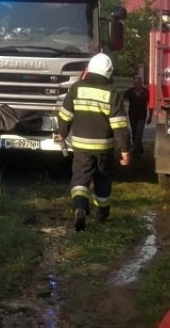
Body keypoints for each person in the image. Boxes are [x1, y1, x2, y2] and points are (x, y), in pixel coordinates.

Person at [55, 53, 131, 232]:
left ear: (89, 69)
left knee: (80, 178)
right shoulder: (112, 94)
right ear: (109, 72)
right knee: (103, 178)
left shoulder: (76, 88)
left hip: (81, 146)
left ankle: (80, 207)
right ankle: (102, 213)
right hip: (104, 147)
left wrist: (62, 133)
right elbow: (119, 126)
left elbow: (65, 116)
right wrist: (125, 150)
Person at [123, 75, 153, 156]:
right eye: (135, 83)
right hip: (132, 116)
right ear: (133, 84)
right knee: (134, 133)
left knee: (139, 134)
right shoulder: (129, 92)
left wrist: (150, 116)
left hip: (142, 116)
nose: (137, 85)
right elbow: (122, 102)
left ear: (141, 83)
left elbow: (150, 105)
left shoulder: (146, 92)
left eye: (138, 83)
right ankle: (140, 149)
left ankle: (135, 151)